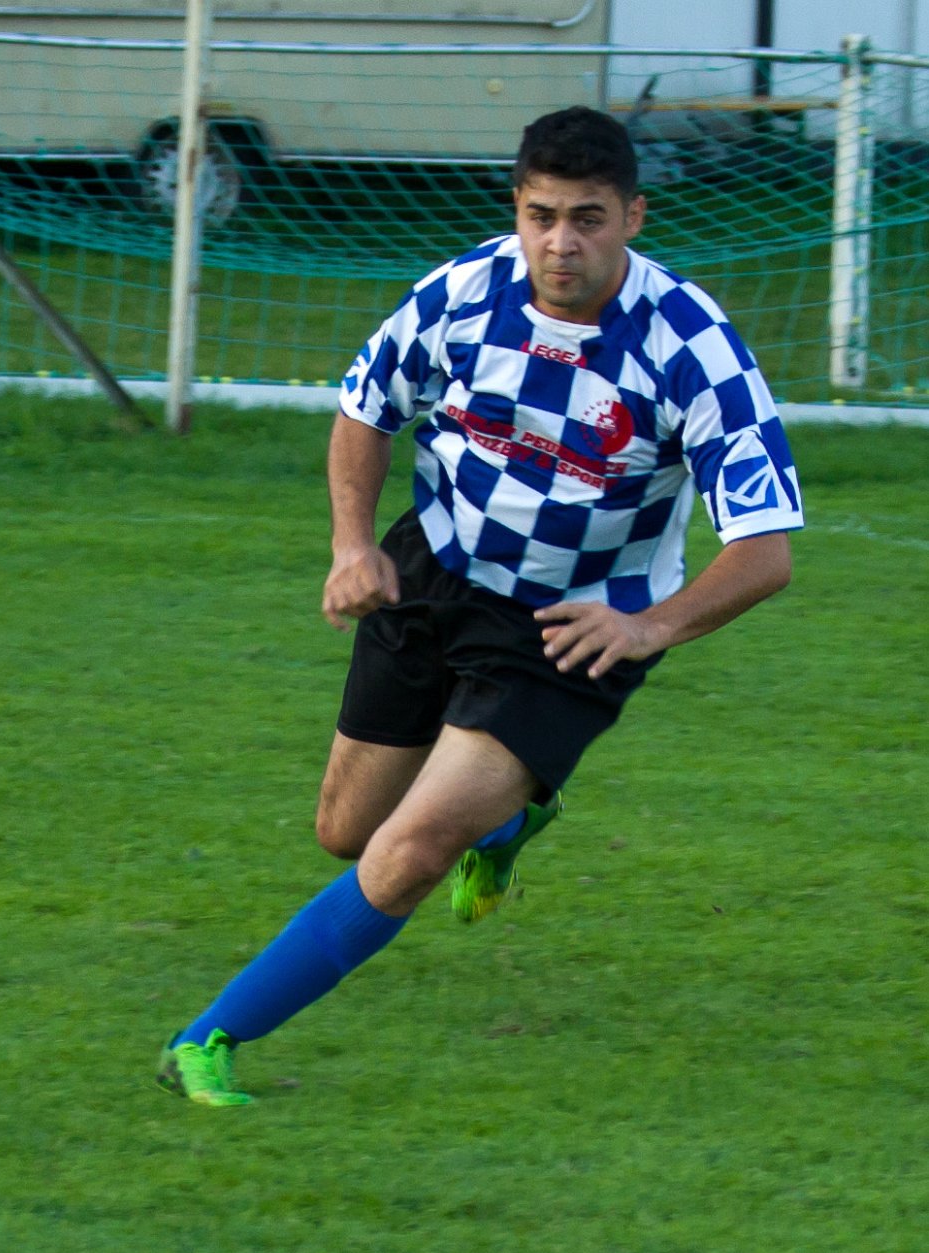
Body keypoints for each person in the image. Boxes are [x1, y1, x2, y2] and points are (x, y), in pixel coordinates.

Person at [156, 104, 803, 1109]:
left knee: (408, 853)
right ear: (517, 209)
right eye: (542, 216)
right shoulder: (463, 292)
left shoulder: (691, 347)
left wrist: (649, 626)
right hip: (434, 571)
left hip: (569, 632)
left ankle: (206, 1039)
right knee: (348, 834)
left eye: (587, 218)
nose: (561, 243)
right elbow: (366, 408)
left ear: (633, 217)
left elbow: (765, 550)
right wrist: (352, 545)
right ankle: (505, 824)